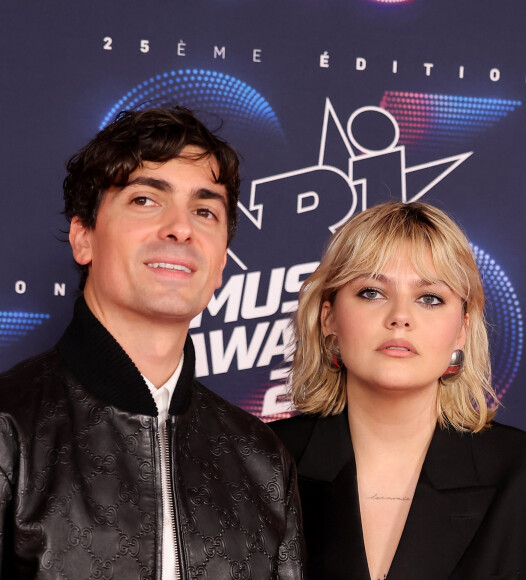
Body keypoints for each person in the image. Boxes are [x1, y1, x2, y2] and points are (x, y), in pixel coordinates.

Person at [0, 106, 304, 579]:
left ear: (222, 261)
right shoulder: (7, 427)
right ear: (84, 238)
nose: (180, 228)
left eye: (204, 210)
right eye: (146, 200)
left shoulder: (261, 458)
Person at [271, 201, 526, 580]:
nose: (400, 316)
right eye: (372, 292)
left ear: (462, 329)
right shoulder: (256, 465)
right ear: (329, 317)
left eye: (430, 298)